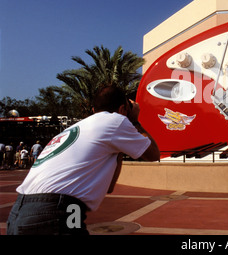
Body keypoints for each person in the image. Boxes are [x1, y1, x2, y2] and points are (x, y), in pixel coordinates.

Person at [7, 84, 160, 235]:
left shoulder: (74, 128)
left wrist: (119, 148)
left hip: (18, 212)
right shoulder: (117, 120)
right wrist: (134, 120)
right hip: (57, 211)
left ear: (93, 110)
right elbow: (153, 155)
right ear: (122, 110)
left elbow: (109, 187)